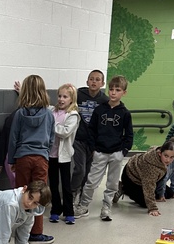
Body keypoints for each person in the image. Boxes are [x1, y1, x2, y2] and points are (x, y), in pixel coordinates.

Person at [74, 75, 133, 222]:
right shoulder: (100, 110)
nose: (113, 92)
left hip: (116, 153)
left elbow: (129, 135)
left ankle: (106, 208)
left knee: (112, 183)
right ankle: (83, 205)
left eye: (117, 90)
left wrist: (123, 152)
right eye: (111, 89)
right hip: (100, 152)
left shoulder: (125, 113)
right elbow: (92, 130)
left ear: (123, 93)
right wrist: (94, 148)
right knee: (91, 181)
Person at [8, 75, 55, 244]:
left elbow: (13, 138)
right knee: (39, 194)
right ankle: (36, 233)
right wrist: (45, 154)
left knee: (21, 193)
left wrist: (12, 160)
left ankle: (20, 232)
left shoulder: (20, 114)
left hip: (22, 157)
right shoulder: (49, 115)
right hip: (41, 158)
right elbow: (51, 138)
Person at [115, 141, 174, 217]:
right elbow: (149, 186)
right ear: (160, 153)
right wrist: (152, 208)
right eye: (166, 156)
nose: (168, 160)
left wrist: (161, 194)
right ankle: (123, 187)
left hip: (145, 178)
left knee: (169, 194)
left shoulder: (159, 154)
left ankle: (138, 191)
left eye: (172, 157)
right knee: (145, 203)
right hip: (131, 178)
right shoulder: (151, 167)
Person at [71, 70, 106, 203]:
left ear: (102, 83)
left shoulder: (104, 100)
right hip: (78, 139)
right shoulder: (79, 94)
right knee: (79, 169)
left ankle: (82, 195)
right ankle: (73, 192)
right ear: (87, 81)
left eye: (97, 80)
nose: (94, 82)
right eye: (91, 79)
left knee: (87, 171)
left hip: (93, 142)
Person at [48, 84, 80, 224]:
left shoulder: (73, 115)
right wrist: (22, 92)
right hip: (51, 155)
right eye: (59, 96)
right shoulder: (52, 111)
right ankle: (55, 209)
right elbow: (39, 102)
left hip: (64, 156)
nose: (61, 99)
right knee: (53, 185)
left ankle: (68, 212)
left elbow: (65, 132)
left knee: (66, 185)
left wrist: (50, 125)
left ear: (71, 99)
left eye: (65, 97)